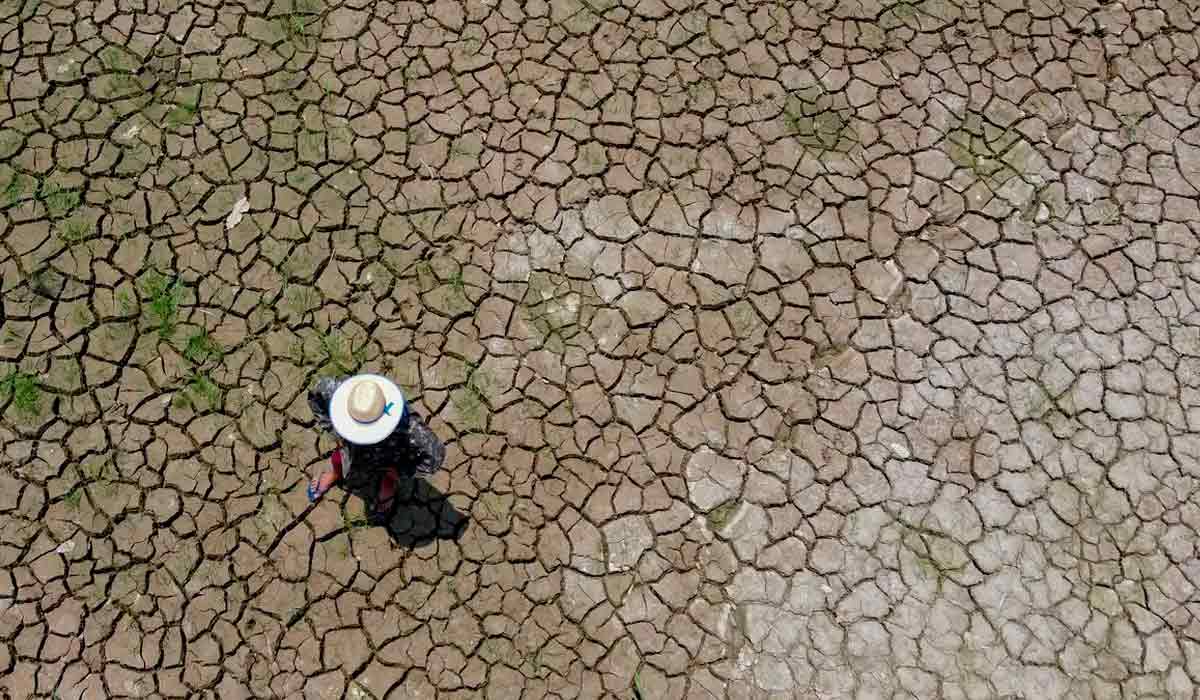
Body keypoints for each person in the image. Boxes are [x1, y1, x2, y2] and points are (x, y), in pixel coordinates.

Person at [305, 374, 445, 520]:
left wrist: (399, 471)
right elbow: (315, 398)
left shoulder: (410, 428)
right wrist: (336, 433)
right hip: (353, 448)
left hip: (392, 452)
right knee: (345, 456)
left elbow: (435, 456)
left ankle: (389, 481)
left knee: (389, 470)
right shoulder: (337, 392)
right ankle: (336, 471)